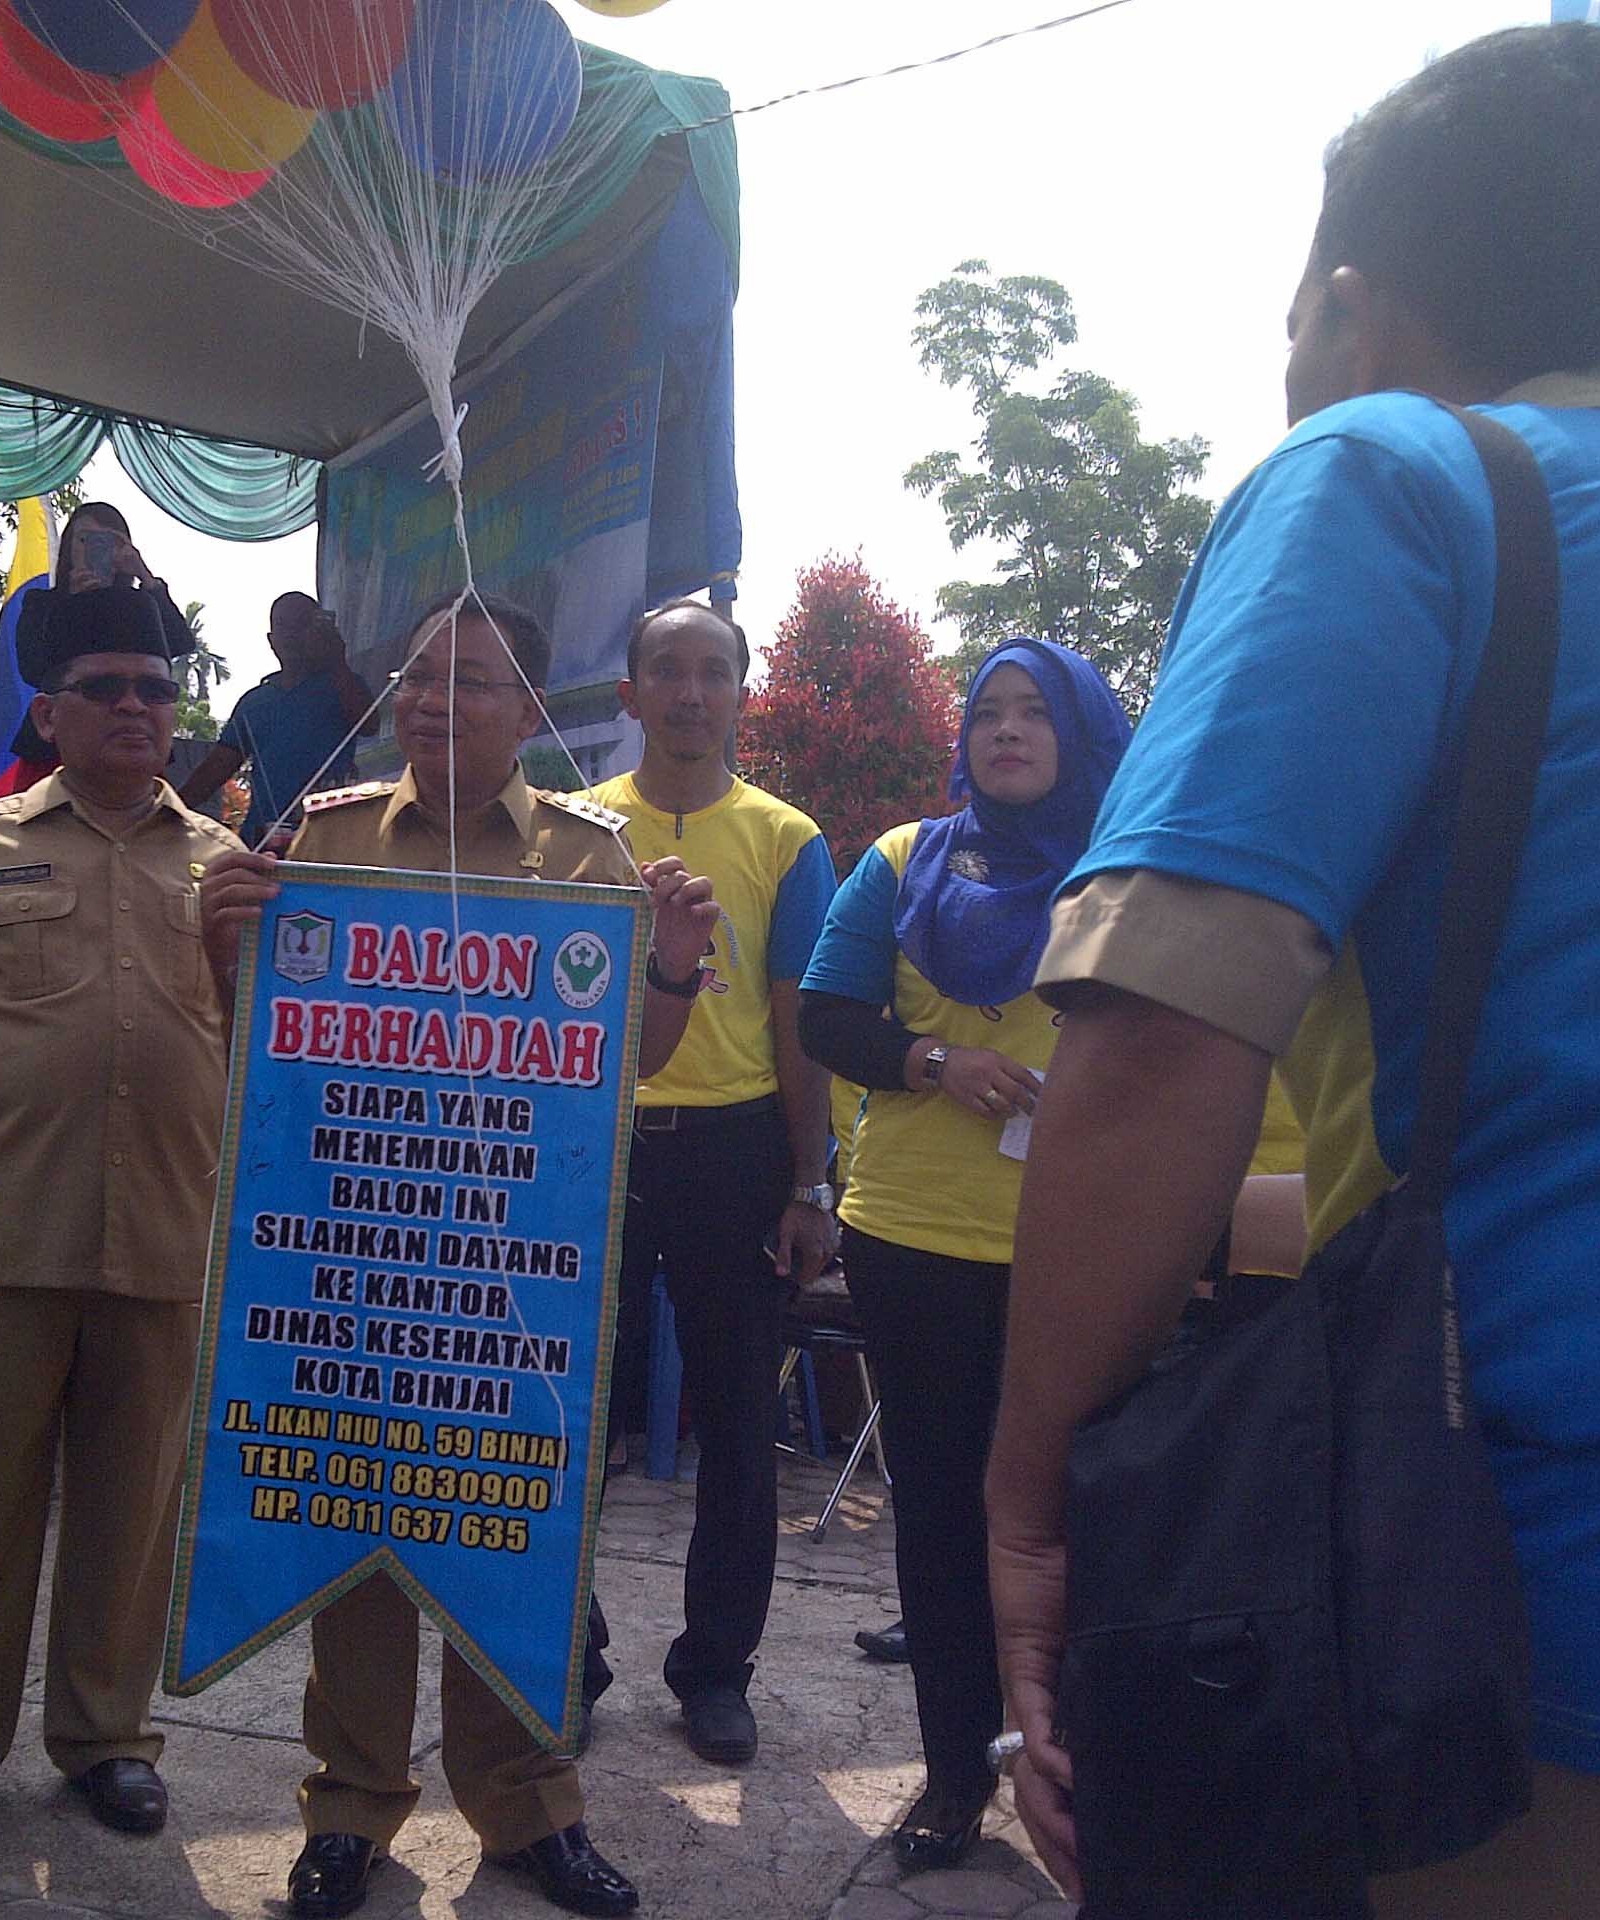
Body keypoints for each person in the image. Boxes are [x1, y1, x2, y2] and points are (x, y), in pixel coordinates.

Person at [984, 25, 1600, 1916]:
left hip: (1553, 1632)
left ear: (1350, 305)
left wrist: (1030, 1512)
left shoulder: (1391, 475)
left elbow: (1158, 1036)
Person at [200, 592, 720, 1920]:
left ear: (528, 711)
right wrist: (223, 942)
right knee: (357, 1540)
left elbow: (639, 1070)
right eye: (419, 678)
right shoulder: (317, 840)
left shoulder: (593, 863)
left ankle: (531, 1811)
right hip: (359, 1261)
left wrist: (665, 968)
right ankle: (350, 1814)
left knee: (515, 1542)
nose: (435, 701)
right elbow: (264, 1038)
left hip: (517, 1281)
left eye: (472, 682)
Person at [0, 582, 236, 1849]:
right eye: (107, 688)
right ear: (53, 712)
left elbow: (278, 1048)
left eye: (156, 689)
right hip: (1, 1232)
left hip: (169, 1236)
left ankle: (107, 1738)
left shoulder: (230, 869)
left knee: (131, 1513)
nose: (136, 707)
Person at [795, 639, 1133, 1871]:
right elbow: (825, 1015)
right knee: (939, 1514)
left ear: (1082, 733)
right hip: (915, 1236)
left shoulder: (1134, 862)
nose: (1005, 733)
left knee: (1091, 1513)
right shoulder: (901, 859)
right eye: (986, 712)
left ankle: (1086, 1772)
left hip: (1092, 1237)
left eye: (1033, 713)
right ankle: (951, 1778)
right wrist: (940, 1062)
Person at [587, 598, 837, 1765]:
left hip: (736, 1153)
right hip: (598, 1146)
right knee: (571, 1415)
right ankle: (561, 1656)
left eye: (713, 673)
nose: (690, 693)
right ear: (628, 694)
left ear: (741, 692)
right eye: (666, 671)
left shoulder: (788, 840)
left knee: (739, 1421)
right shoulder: (579, 828)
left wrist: (809, 1183)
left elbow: (801, 1026)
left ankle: (713, 1669)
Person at [0, 502, 196, 797]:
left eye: (109, 541)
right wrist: (72, 605)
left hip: (130, 746)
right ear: (69, 547)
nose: (96, 549)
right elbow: (32, 667)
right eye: (85, 539)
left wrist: (144, 575)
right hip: (54, 747)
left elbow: (180, 642)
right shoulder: (44, 603)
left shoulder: (138, 607)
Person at [177, 591, 371, 842]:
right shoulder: (255, 702)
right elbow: (215, 770)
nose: (292, 634)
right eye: (283, 626)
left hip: (329, 839)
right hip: (264, 840)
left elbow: (369, 724)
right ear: (271, 639)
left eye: (302, 623)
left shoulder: (343, 686)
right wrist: (169, 812)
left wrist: (336, 659)